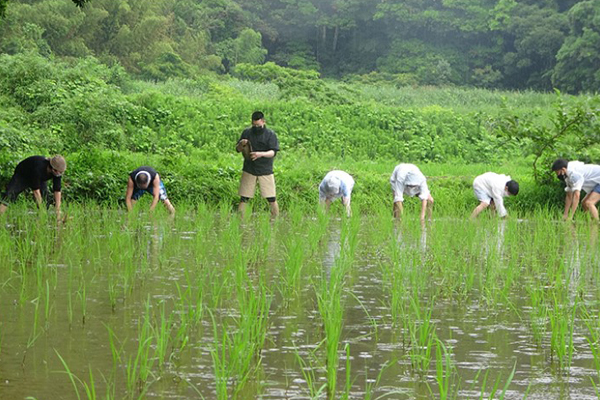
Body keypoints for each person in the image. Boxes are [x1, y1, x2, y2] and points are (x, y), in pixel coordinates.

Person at [236, 111, 280, 217]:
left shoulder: (270, 135)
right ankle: (240, 221)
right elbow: (237, 149)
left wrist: (260, 154)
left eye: (258, 125)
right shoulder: (246, 132)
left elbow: (273, 152)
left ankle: (276, 220)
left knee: (271, 198)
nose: (256, 127)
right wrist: (242, 144)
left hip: (265, 169)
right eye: (254, 125)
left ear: (263, 122)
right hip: (249, 168)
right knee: (244, 198)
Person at [0, 155, 66, 215]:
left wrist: (58, 210)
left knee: (45, 200)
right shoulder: (39, 168)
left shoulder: (57, 173)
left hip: (40, 178)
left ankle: (40, 221)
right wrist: (41, 210)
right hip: (22, 175)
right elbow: (36, 191)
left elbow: (57, 190)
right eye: (59, 172)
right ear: (52, 169)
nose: (59, 174)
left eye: (61, 172)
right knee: (10, 195)